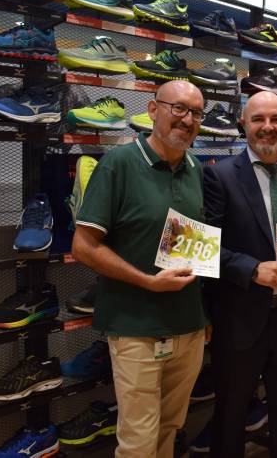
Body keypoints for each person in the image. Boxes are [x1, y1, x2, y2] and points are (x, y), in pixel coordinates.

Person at [72, 80, 208, 458]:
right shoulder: (118, 164)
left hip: (188, 327)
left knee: (169, 430)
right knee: (138, 442)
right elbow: (83, 246)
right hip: (136, 329)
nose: (187, 119)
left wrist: (203, 315)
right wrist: (147, 282)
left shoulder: (195, 168)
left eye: (196, 113)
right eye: (177, 108)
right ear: (152, 110)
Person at [203, 91, 277, 458]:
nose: (268, 127)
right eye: (258, 120)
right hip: (240, 319)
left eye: (276, 120)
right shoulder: (219, 176)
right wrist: (250, 270)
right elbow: (206, 249)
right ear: (243, 125)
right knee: (231, 417)